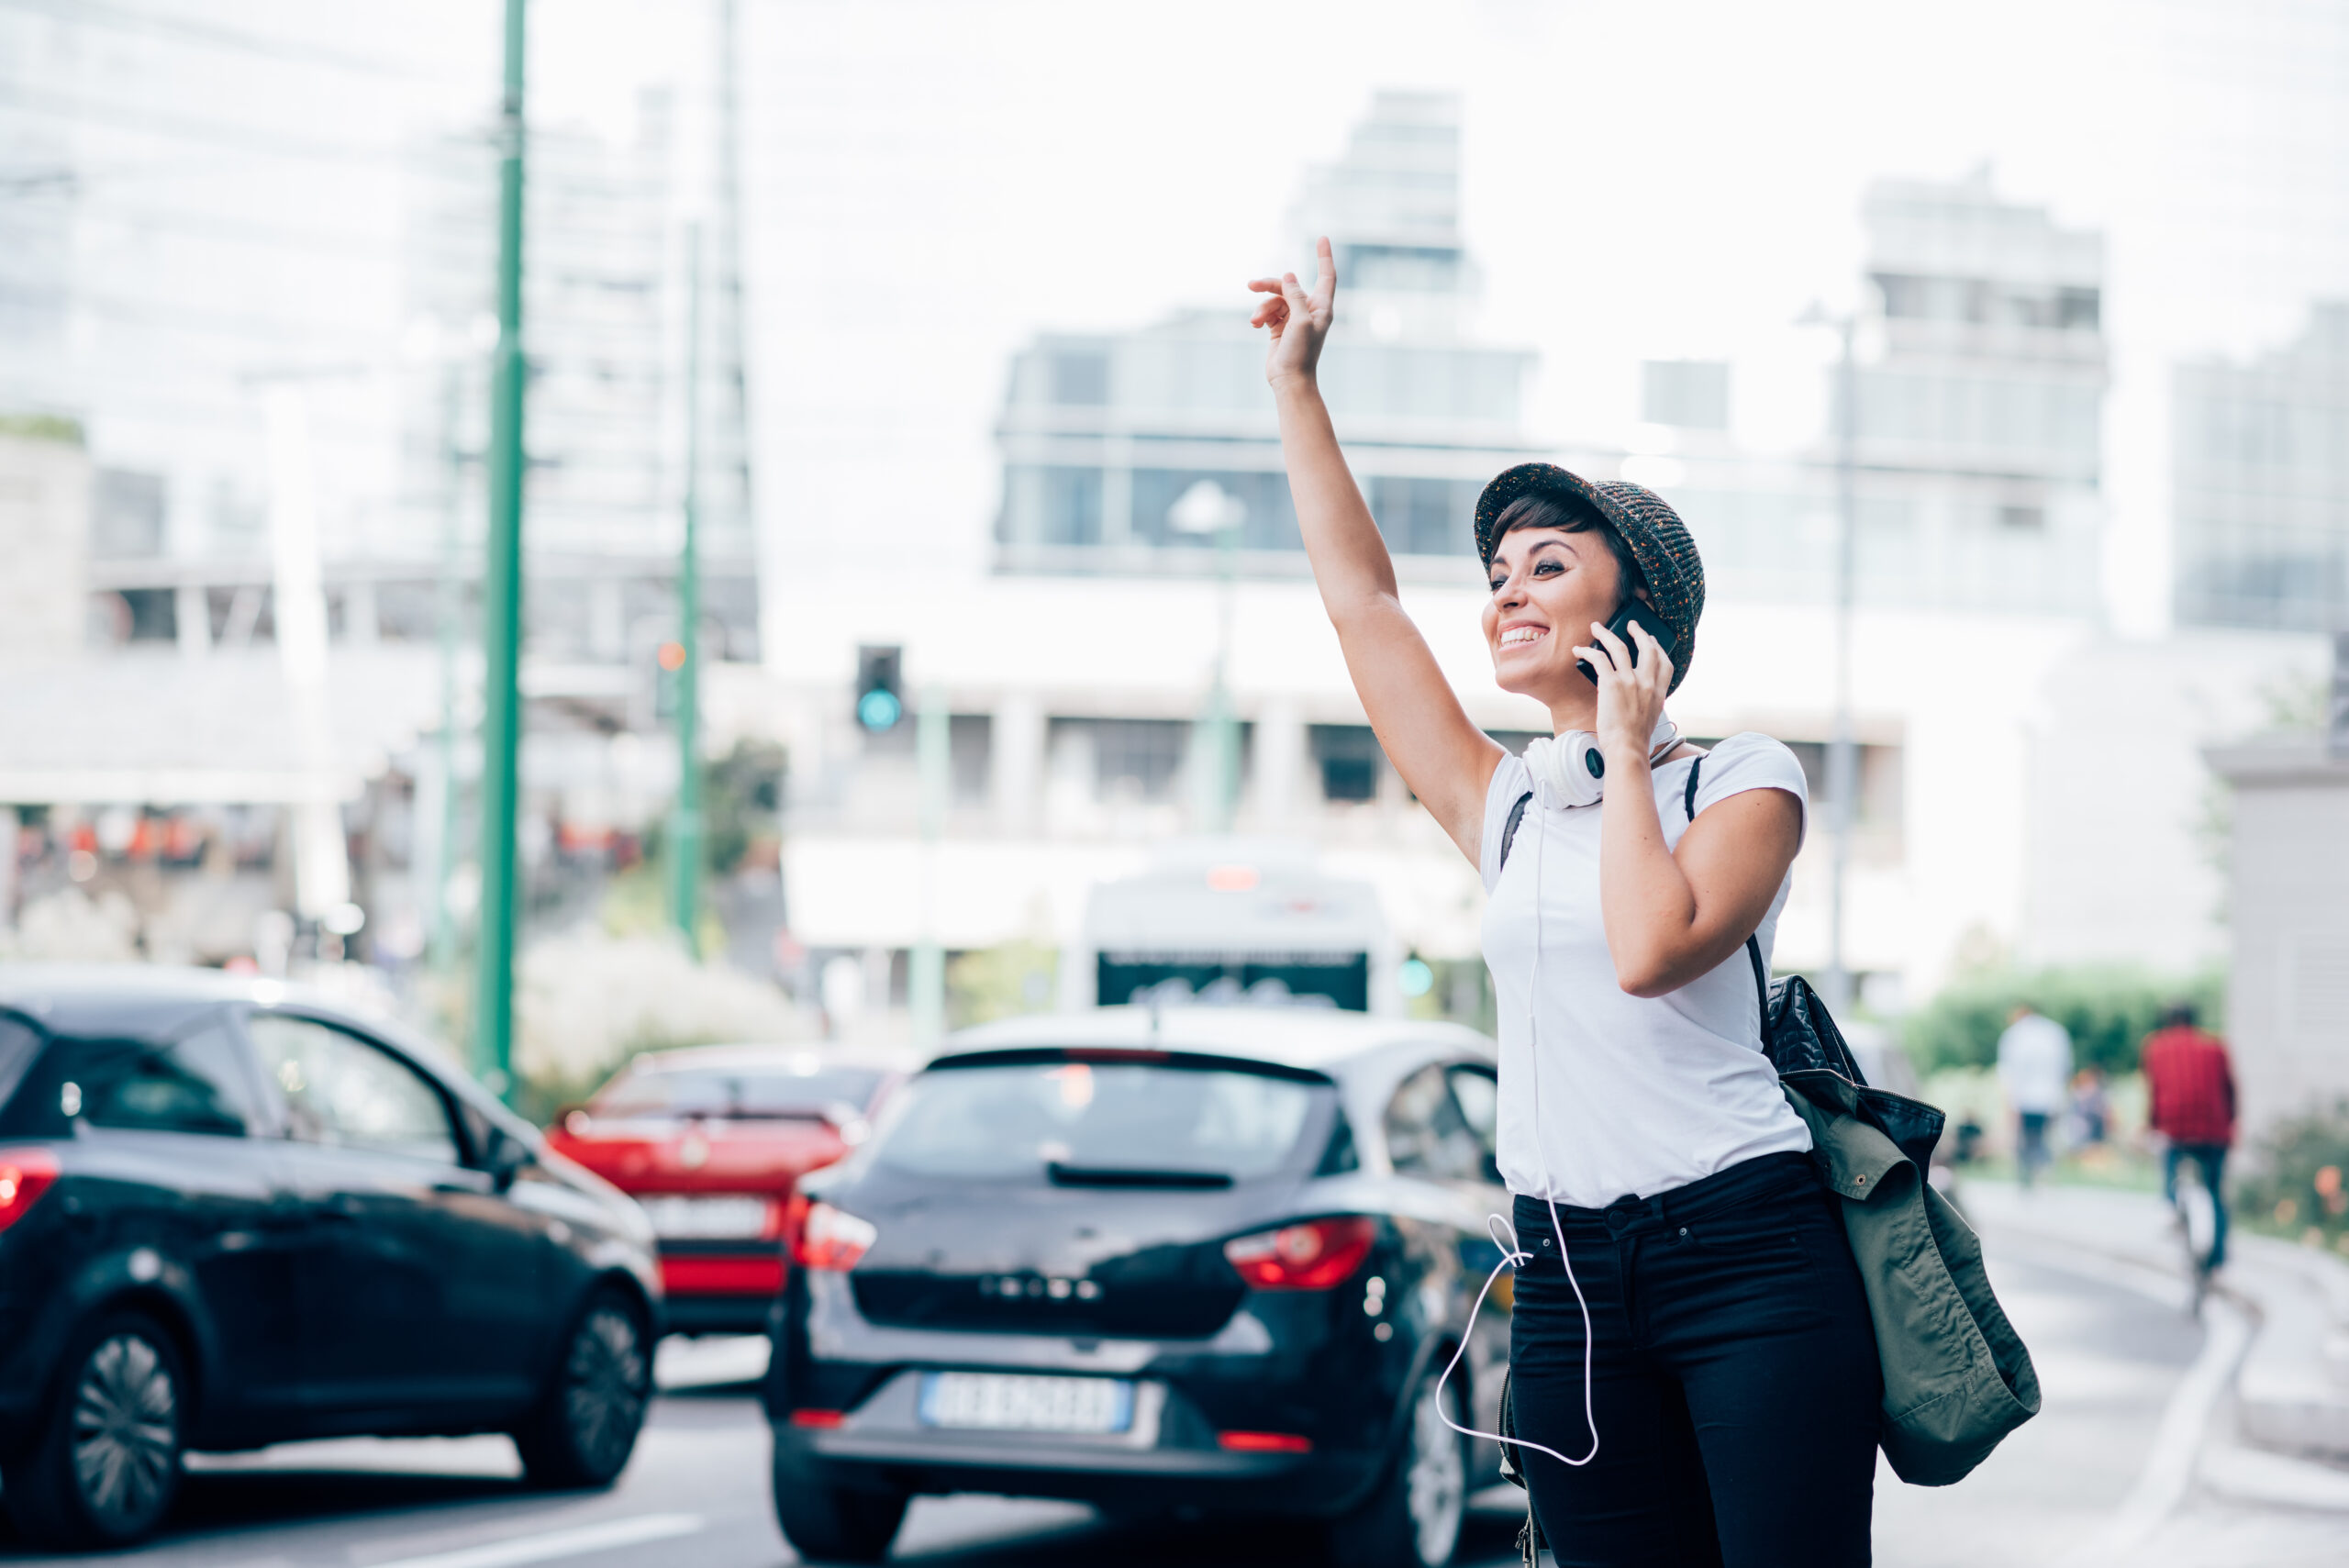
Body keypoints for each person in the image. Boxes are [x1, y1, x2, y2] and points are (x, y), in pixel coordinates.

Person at [1250, 241, 1878, 1568]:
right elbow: (1365, 607)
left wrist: (1635, 754)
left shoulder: (1742, 781)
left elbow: (1649, 946)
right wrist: (1300, 382)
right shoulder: (1513, 805)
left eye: (1543, 564)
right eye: (1495, 577)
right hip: (1565, 1285)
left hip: (1750, 1262)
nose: (1503, 595)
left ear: (1632, 602)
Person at [2141, 1002, 2236, 1270]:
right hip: (2215, 1130)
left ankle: (2169, 1204)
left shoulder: (2156, 1047)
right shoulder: (2216, 1047)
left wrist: (2151, 1125)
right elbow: (2229, 1089)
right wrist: (2231, 1125)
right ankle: (2218, 1257)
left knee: (2169, 1159)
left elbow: (2154, 1091)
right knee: (2216, 1191)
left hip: (2175, 1129)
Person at [1997, 1005, 2071, 1190]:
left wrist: (2009, 1103)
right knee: (2045, 1138)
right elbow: (2064, 1067)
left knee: (2025, 1139)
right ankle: (2045, 1176)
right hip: (2050, 1096)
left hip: (2023, 1098)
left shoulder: (2013, 1036)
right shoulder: (2055, 1033)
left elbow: (2008, 1073)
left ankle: (2026, 1178)